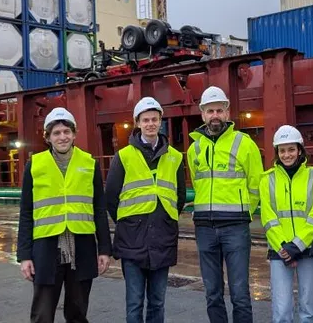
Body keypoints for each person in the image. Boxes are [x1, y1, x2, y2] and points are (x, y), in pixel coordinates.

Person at [16, 107, 113, 323]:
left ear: (74, 134)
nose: (62, 137)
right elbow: (26, 213)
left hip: (82, 248)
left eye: (66, 132)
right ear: (48, 137)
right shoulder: (35, 165)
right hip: (46, 250)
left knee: (77, 314)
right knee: (42, 315)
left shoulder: (89, 164)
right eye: (57, 133)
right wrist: (24, 255)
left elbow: (99, 208)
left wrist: (105, 249)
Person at [105, 97, 187, 323]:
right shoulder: (123, 157)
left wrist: (165, 219)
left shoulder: (175, 158)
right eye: (146, 120)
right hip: (132, 241)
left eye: (154, 119)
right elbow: (111, 198)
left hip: (162, 239)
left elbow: (179, 197)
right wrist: (130, 223)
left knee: (157, 303)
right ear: (137, 123)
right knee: (134, 303)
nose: (151, 123)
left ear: (161, 122)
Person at [186, 86, 264, 323]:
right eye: (210, 111)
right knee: (212, 293)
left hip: (235, 228)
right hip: (204, 228)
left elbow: (256, 184)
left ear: (228, 113)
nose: (215, 115)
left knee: (240, 293)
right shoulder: (194, 148)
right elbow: (198, 185)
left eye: (219, 110)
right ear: (202, 114)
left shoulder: (244, 144)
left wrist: (244, 213)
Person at [260, 125, 313, 323]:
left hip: (308, 250)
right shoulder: (267, 180)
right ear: (277, 153)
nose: (287, 154)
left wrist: (296, 246)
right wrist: (284, 248)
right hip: (280, 251)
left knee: (308, 308)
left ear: (300, 150)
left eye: (291, 149)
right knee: (281, 310)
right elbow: (268, 218)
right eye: (282, 150)